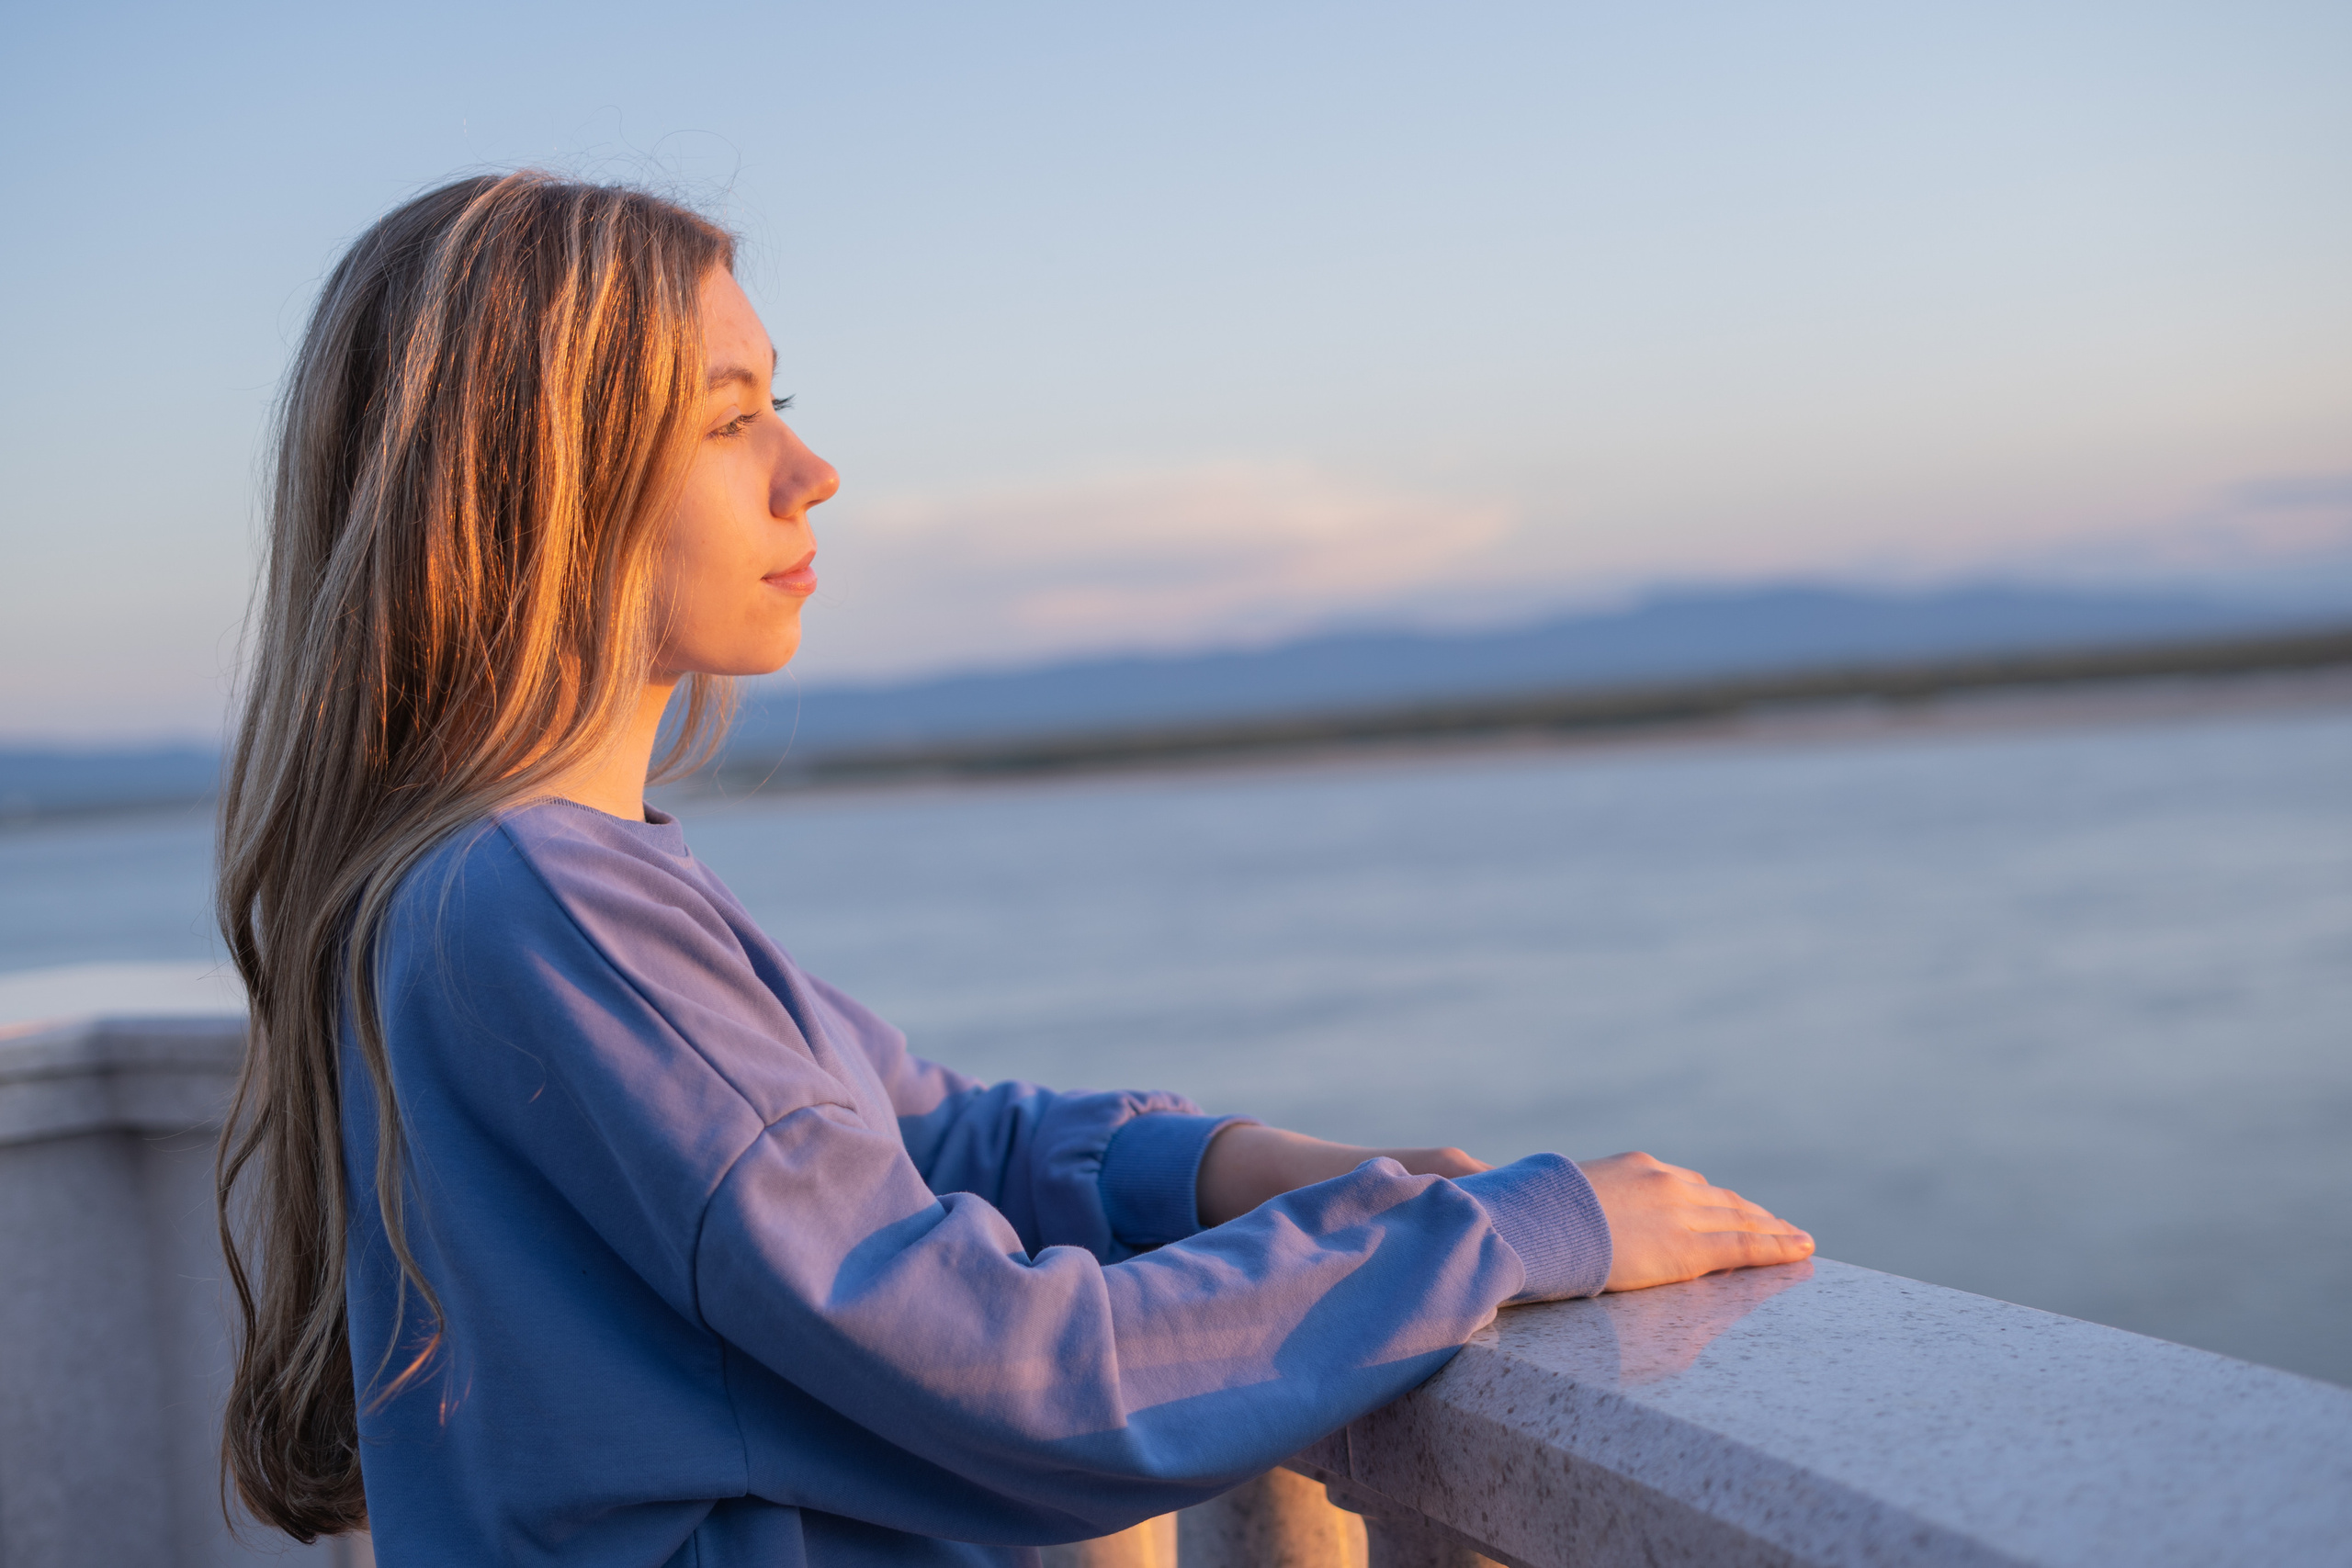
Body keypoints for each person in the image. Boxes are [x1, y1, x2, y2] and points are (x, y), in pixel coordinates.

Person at [214, 172, 1813, 1568]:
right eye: (731, 415)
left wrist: (1240, 1164)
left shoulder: (510, 889)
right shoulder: (541, 906)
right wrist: (1520, 1232)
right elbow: (1023, 1378)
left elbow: (927, 1133)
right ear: (533, 486)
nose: (810, 467)